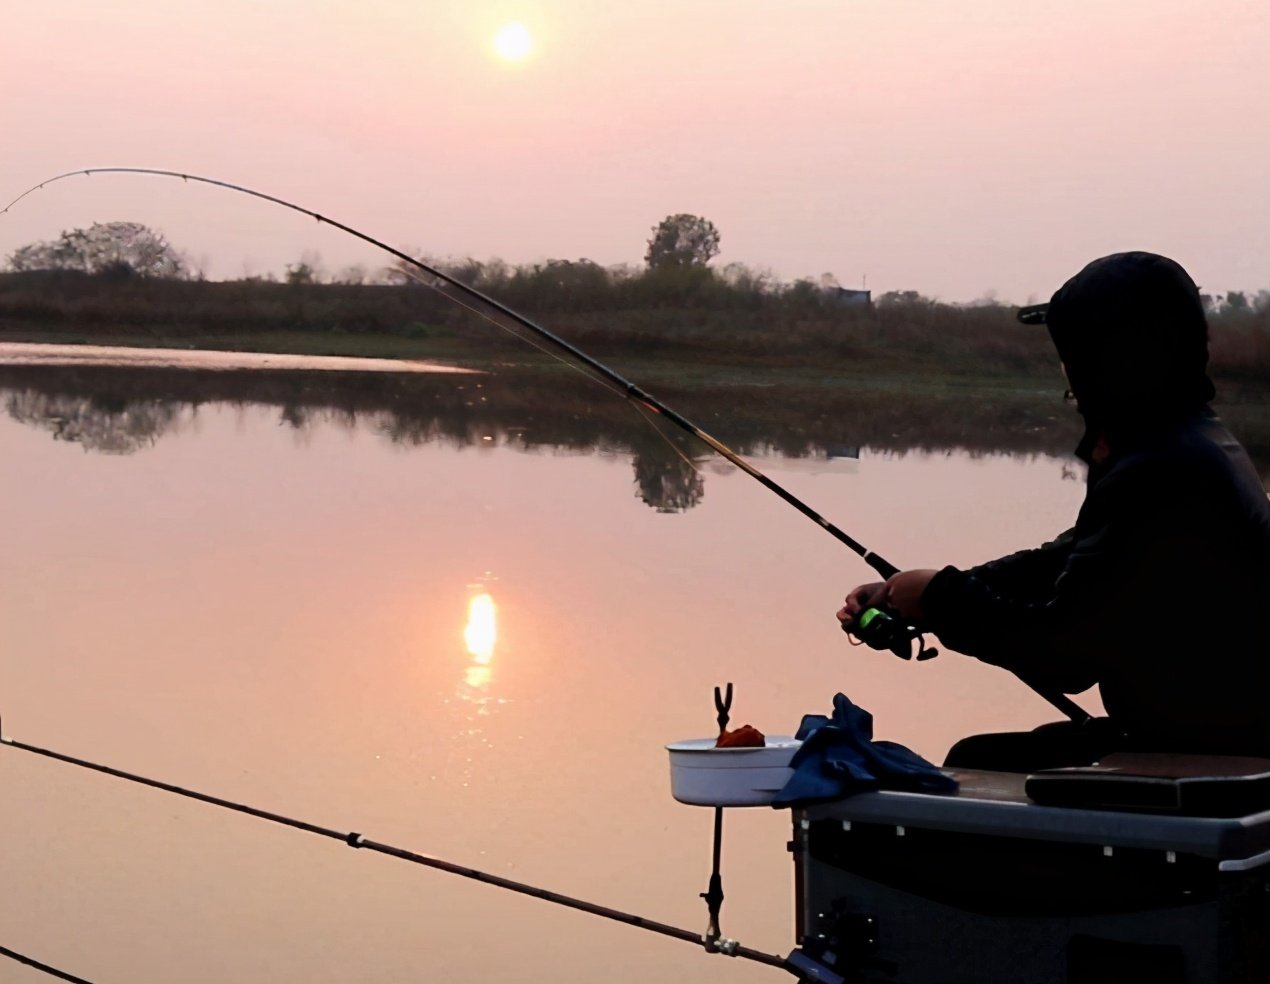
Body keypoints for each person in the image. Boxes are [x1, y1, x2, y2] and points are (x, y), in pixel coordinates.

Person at [837, 251, 1270, 772]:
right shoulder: (1187, 440)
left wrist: (943, 598)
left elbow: (1065, 654)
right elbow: (1068, 562)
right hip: (1203, 735)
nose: (1064, 370)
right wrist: (916, 594)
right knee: (985, 757)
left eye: (1072, 351)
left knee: (977, 765)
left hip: (1215, 760)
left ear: (1108, 360)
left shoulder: (1162, 468)